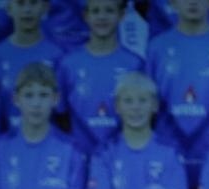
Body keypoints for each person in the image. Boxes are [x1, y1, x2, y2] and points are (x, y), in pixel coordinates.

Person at [146, 0, 209, 189]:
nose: (192, 2)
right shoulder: (156, 47)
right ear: (172, 3)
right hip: (167, 156)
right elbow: (148, 108)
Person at [57, 0, 145, 159]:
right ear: (85, 16)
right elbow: (61, 116)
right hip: (79, 158)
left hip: (122, 159)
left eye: (109, 11)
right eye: (96, 11)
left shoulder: (134, 64)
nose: (102, 17)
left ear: (121, 15)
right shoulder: (68, 64)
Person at [0, 0, 65, 134]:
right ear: (9, 8)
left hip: (46, 148)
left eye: (33, 3)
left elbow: (62, 114)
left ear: (44, 8)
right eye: (20, 3)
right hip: (4, 148)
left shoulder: (58, 56)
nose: (27, 9)